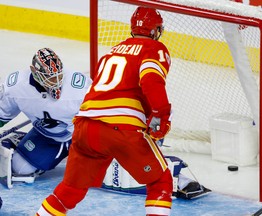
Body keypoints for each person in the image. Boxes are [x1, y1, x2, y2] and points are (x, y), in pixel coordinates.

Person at [36, 6, 174, 216]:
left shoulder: (112, 51)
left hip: (84, 128)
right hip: (120, 129)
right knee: (160, 181)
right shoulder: (154, 48)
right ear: (155, 30)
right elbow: (151, 82)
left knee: (70, 190)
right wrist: (160, 118)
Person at [0, 48, 91, 188]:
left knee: (93, 173)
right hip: (47, 136)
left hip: (82, 135)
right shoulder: (16, 86)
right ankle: (17, 140)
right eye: (51, 78)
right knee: (20, 170)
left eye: (59, 76)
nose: (57, 82)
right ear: (34, 71)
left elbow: (101, 113)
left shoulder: (79, 85)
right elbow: (2, 114)